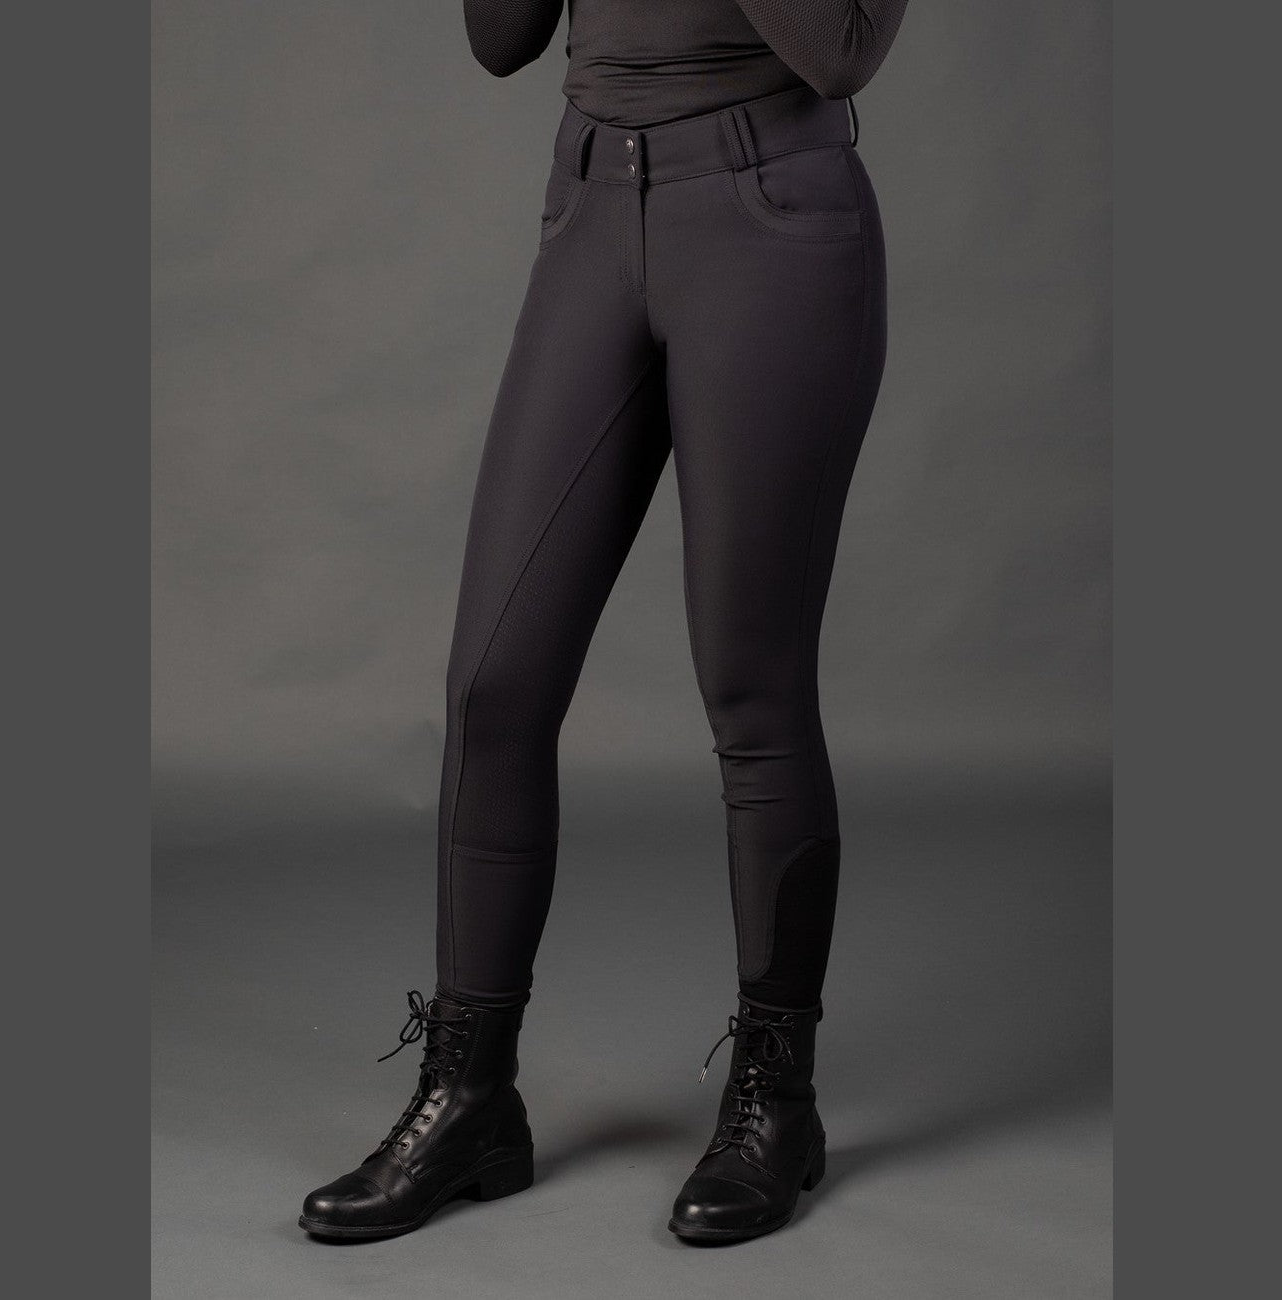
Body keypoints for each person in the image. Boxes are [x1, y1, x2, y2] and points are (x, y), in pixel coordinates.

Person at [300, 0, 910, 1246]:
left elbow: (842, 49)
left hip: (771, 218)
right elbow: (500, 38)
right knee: (493, 686)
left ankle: (776, 1103)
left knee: (752, 691)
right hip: (589, 210)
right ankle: (471, 1096)